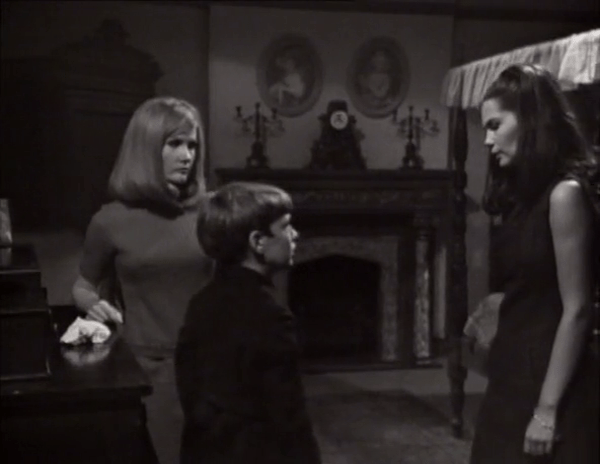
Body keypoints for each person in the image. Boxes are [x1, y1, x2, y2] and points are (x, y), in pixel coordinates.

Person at [71, 96, 214, 464]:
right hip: (151, 368)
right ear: (146, 148)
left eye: (192, 145)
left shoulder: (212, 212)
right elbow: (83, 285)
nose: (187, 156)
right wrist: (94, 305)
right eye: (175, 144)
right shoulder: (110, 220)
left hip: (214, 363)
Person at [470, 63, 599, 463]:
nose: (487, 140)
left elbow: (577, 309)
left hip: (549, 378)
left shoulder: (565, 196)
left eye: (495, 125)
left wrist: (546, 409)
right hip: (511, 372)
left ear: (529, 119)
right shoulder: (521, 198)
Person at [175, 182, 322, 464]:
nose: (295, 234)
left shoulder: (201, 302)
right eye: (285, 226)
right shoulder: (270, 315)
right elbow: (289, 416)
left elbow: (191, 394)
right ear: (258, 242)